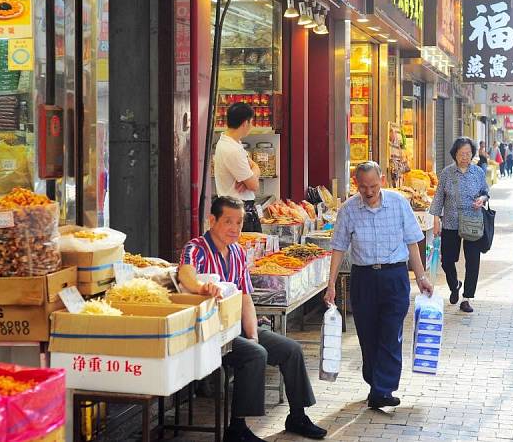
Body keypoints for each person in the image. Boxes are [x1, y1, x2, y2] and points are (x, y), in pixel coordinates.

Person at [178, 197, 326, 441]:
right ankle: (237, 429)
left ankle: (297, 416)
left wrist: (254, 335)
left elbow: (246, 297)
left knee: (291, 350)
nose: (235, 228)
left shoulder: (237, 251)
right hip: (209, 334)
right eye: (228, 222)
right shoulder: (196, 248)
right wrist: (201, 287)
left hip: (236, 327)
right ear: (212, 220)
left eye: (239, 222)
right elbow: (186, 274)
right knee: (255, 355)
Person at [324, 161, 433, 409]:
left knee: (391, 333)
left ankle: (383, 389)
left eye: (373, 186)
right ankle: (375, 382)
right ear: (356, 185)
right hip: (363, 278)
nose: (369, 192)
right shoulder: (348, 210)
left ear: (382, 180)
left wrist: (421, 276)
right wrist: (330, 283)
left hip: (395, 276)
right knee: (367, 334)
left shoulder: (398, 203)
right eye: (363, 187)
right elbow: (338, 247)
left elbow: (413, 242)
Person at [430, 138, 490, 313]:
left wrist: (482, 199)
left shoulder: (478, 172)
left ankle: (466, 298)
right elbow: (439, 196)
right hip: (450, 221)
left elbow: (486, 192)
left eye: (468, 154)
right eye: (462, 154)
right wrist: (435, 219)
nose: (465, 157)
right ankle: (454, 284)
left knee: (473, 261)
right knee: (447, 260)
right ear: (455, 154)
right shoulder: (447, 173)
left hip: (472, 221)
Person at [214, 102, 263, 232]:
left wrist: (252, 173)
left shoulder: (232, 142)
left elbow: (255, 165)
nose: (251, 126)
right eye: (251, 122)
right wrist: (251, 178)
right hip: (237, 211)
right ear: (245, 123)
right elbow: (254, 185)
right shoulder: (232, 150)